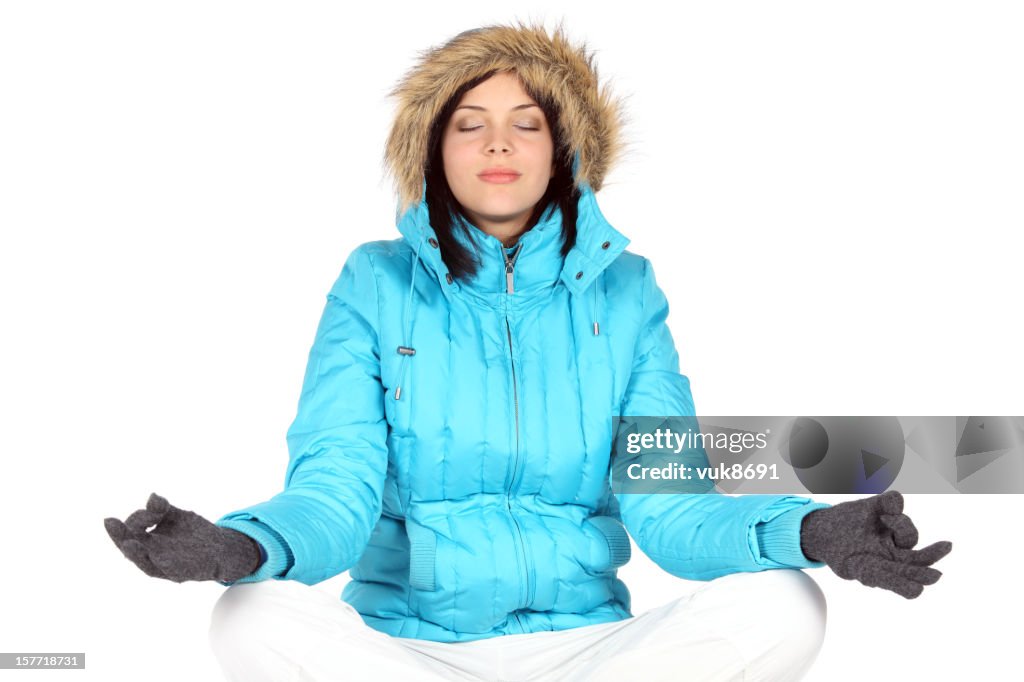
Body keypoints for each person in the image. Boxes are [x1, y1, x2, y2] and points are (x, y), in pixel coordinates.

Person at [104, 21, 953, 681]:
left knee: (785, 604)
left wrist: (812, 530)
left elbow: (675, 507)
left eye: (527, 124)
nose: (499, 144)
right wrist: (244, 546)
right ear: (436, 152)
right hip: (405, 652)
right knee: (248, 618)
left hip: (588, 650)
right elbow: (335, 486)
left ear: (563, 152)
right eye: (469, 125)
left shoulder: (629, 293)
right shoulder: (374, 283)